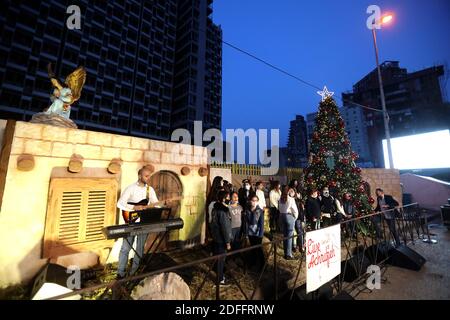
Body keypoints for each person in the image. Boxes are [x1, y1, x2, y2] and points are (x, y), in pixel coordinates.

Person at [116, 167, 159, 279]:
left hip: (144, 222)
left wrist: (162, 204)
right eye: (146, 176)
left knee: (139, 249)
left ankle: (133, 273)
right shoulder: (130, 188)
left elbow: (155, 204)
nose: (148, 178)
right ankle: (120, 273)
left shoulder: (150, 190)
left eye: (149, 176)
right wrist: (134, 206)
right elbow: (120, 204)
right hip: (131, 222)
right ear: (140, 176)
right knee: (125, 248)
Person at [210, 190, 232, 285]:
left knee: (218, 258)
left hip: (216, 237)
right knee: (221, 260)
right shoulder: (223, 211)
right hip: (221, 239)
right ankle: (220, 280)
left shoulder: (215, 208)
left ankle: (220, 275)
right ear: (223, 199)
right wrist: (227, 242)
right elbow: (225, 227)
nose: (229, 199)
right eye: (228, 197)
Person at [245, 194, 265, 271]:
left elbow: (261, 224)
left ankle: (262, 264)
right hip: (250, 232)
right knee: (252, 248)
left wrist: (260, 234)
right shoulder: (247, 210)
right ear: (250, 201)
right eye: (253, 200)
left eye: (256, 201)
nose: (254, 202)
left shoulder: (259, 211)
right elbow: (246, 222)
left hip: (257, 233)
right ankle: (253, 263)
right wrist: (246, 233)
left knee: (258, 249)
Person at [279, 187, 299, 260]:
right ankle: (289, 254)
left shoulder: (280, 199)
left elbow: (279, 208)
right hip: (289, 216)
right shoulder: (291, 199)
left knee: (285, 235)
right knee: (290, 236)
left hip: (281, 216)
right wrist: (294, 218)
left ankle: (285, 253)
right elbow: (295, 211)